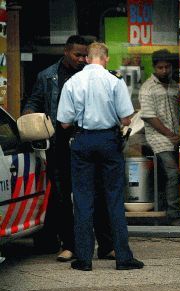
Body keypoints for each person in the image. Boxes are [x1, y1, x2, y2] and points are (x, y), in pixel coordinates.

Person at [22, 35, 114, 262]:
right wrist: (29, 116)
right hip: (60, 145)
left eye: (85, 55)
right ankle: (69, 245)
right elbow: (34, 101)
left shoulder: (95, 75)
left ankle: (106, 245)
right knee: (62, 198)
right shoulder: (47, 76)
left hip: (91, 142)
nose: (82, 59)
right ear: (66, 52)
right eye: (78, 55)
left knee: (98, 195)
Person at [57, 42, 143, 271]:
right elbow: (126, 119)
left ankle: (84, 258)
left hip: (82, 141)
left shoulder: (72, 83)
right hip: (108, 141)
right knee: (114, 199)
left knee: (83, 200)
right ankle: (123, 257)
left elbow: (64, 122)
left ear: (87, 58)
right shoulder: (114, 81)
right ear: (105, 59)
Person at [139, 49, 180, 226]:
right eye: (161, 67)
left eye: (167, 67)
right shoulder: (147, 88)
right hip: (159, 138)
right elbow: (149, 117)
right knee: (173, 173)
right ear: (154, 67)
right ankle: (174, 216)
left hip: (178, 136)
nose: (165, 70)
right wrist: (170, 135)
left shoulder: (176, 86)